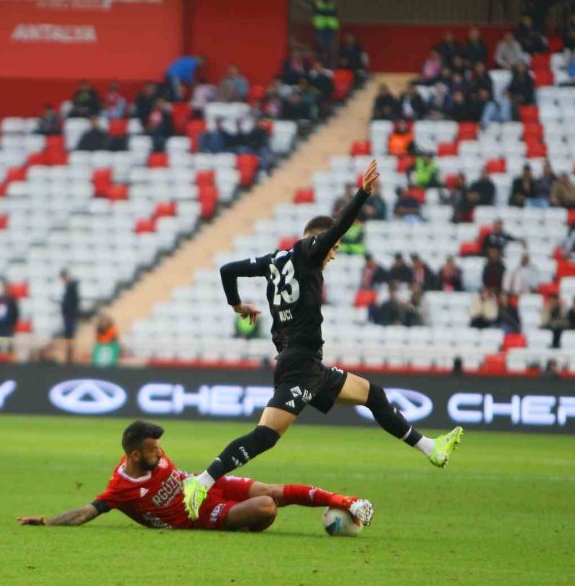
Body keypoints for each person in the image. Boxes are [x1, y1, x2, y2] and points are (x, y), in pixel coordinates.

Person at [180, 159, 463, 522]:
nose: (333, 253)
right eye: (333, 247)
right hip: (299, 365)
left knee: (371, 393)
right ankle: (201, 482)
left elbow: (227, 270)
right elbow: (339, 226)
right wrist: (362, 194)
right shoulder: (308, 252)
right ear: (318, 240)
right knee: (265, 436)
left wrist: (238, 305)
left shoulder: (273, 260)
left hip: (307, 363)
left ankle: (431, 448)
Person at [17, 421, 373, 531]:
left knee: (271, 488)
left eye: (160, 447)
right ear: (134, 455)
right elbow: (87, 511)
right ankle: (241, 522)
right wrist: (48, 522)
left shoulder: (153, 456)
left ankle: (347, 502)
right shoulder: (121, 489)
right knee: (266, 507)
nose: (160, 453)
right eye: (153, 450)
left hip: (204, 485)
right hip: (203, 515)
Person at [312, 0, 340, 68]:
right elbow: (316, 11)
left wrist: (322, 12)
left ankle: (330, 64)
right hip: (320, 28)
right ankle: (321, 63)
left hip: (331, 28)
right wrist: (327, 12)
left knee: (331, 48)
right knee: (321, 47)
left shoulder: (332, 3)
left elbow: (334, 12)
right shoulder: (317, 2)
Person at [60, 269, 79, 363]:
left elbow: (73, 302)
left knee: (70, 334)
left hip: (70, 314)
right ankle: (68, 355)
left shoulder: (72, 286)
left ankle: (70, 356)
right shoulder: (69, 287)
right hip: (68, 314)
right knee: (68, 334)